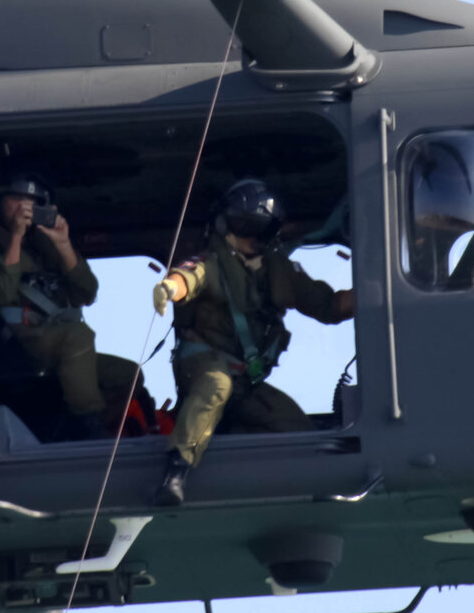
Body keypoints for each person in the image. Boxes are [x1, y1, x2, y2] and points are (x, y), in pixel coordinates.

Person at [148, 179, 355, 506]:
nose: (251, 236)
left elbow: (330, 306)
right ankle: (176, 471)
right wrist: (169, 288)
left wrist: (375, 290)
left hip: (245, 379)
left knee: (297, 429)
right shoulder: (213, 263)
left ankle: (227, 439)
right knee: (216, 386)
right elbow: (190, 276)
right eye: (244, 225)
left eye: (260, 228)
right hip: (205, 365)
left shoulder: (277, 269)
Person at [0, 175, 138, 441]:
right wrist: (15, 237)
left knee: (128, 375)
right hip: (22, 340)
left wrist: (63, 245)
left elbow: (87, 293)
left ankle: (88, 427)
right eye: (17, 199)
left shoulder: (42, 246)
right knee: (78, 336)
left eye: (33, 201)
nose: (25, 207)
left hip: (56, 338)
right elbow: (0, 292)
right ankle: (89, 425)